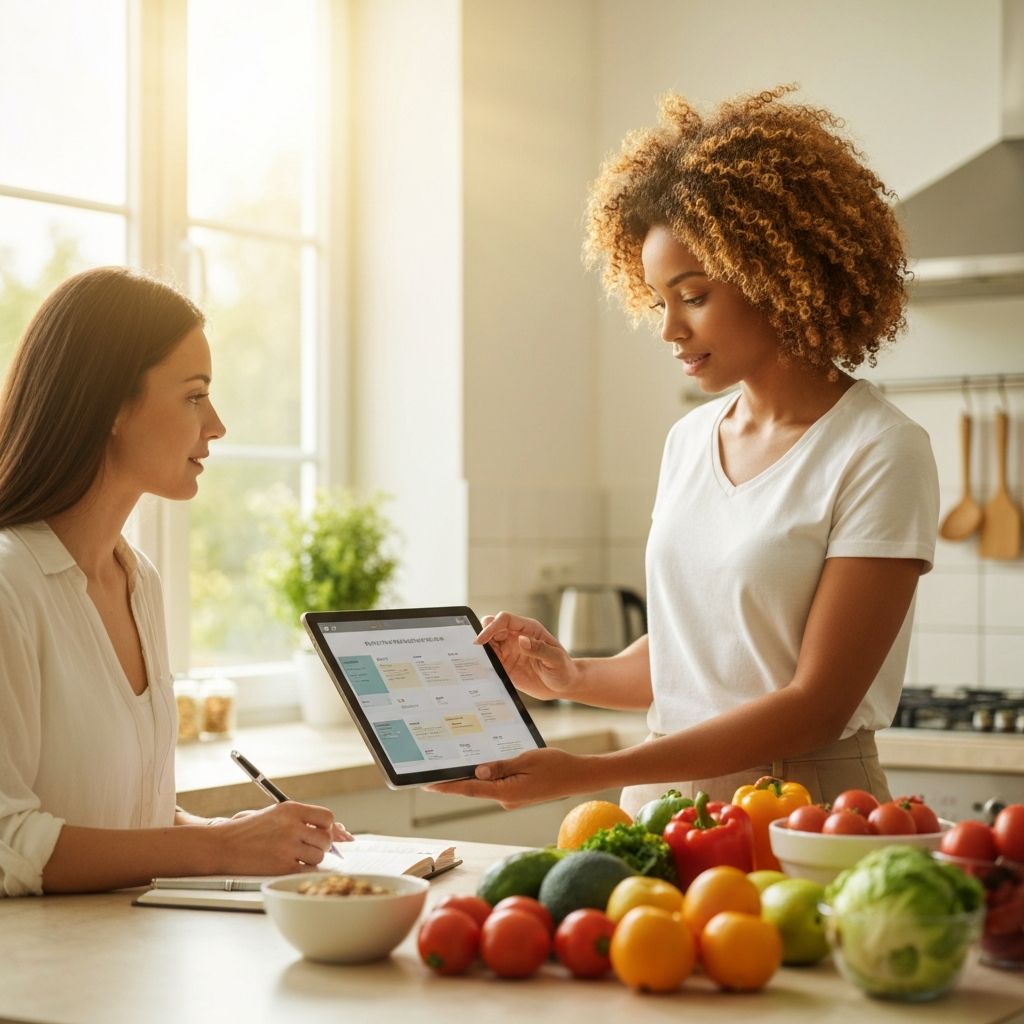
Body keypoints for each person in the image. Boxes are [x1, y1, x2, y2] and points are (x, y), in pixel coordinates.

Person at [428, 86, 939, 815]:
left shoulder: (880, 450)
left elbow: (816, 704)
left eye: (692, 295)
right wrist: (572, 674)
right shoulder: (691, 440)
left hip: (803, 811)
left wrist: (584, 773)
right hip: (665, 810)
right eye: (657, 299)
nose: (668, 329)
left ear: (776, 273)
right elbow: (695, 659)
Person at [0, 267, 351, 897]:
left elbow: (124, 822)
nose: (216, 423)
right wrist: (218, 845)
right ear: (109, 405)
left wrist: (237, 836)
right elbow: (7, 845)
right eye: (194, 395)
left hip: (132, 962)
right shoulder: (9, 584)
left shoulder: (139, 582)